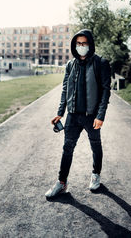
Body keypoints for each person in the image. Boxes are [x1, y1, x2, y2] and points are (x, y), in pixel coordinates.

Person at [45, 29, 111, 198]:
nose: (81, 46)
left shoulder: (100, 63)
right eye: (78, 43)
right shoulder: (70, 65)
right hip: (72, 116)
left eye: (84, 43)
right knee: (67, 148)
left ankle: (96, 175)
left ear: (90, 44)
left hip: (91, 117)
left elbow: (105, 90)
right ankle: (61, 183)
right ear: (75, 45)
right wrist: (60, 112)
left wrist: (100, 115)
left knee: (95, 146)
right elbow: (65, 89)